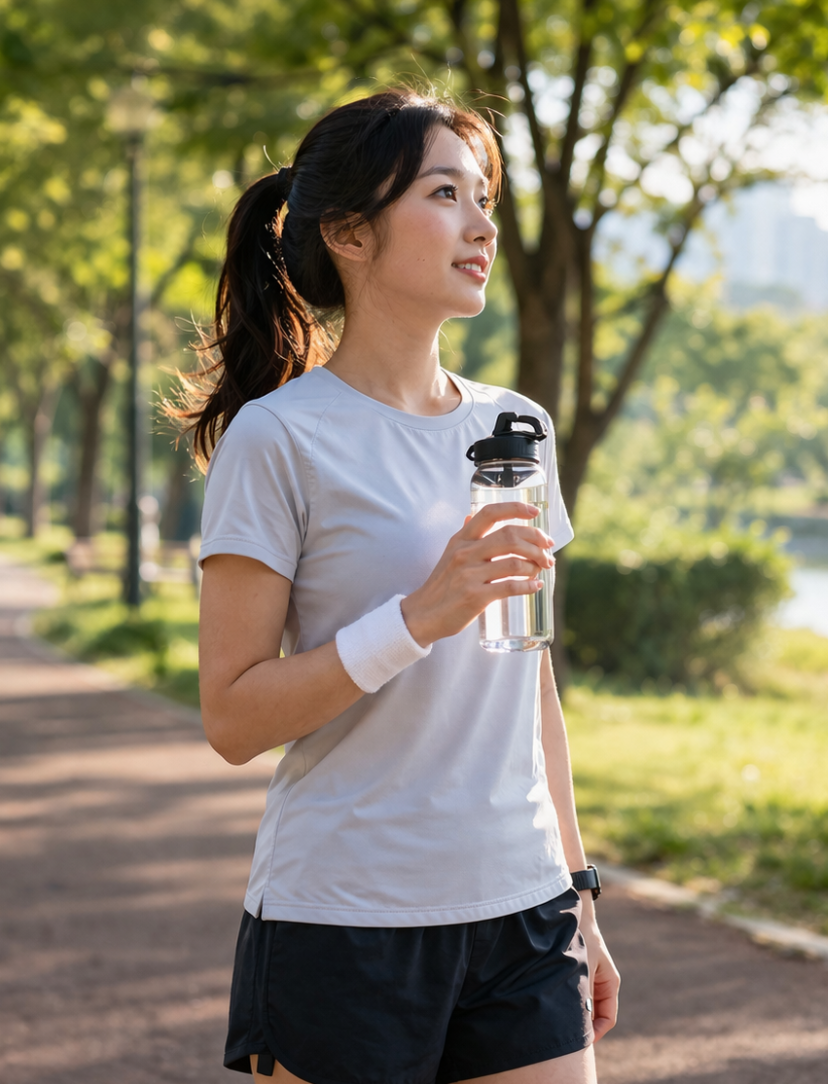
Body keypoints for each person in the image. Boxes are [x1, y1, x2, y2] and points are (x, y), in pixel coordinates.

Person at [179, 88, 620, 1084]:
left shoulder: (518, 429)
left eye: (483, 198)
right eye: (444, 194)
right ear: (349, 233)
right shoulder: (280, 437)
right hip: (345, 919)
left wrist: (579, 894)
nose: (483, 225)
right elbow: (232, 716)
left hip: (521, 909)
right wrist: (420, 615)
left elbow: (530, 685)